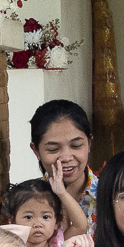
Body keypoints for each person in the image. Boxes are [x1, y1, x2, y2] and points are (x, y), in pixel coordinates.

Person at [31, 99, 99, 231]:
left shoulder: (111, 197)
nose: (66, 158)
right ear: (36, 151)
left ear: (89, 144)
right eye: (53, 149)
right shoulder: (23, 200)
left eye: (76, 146)